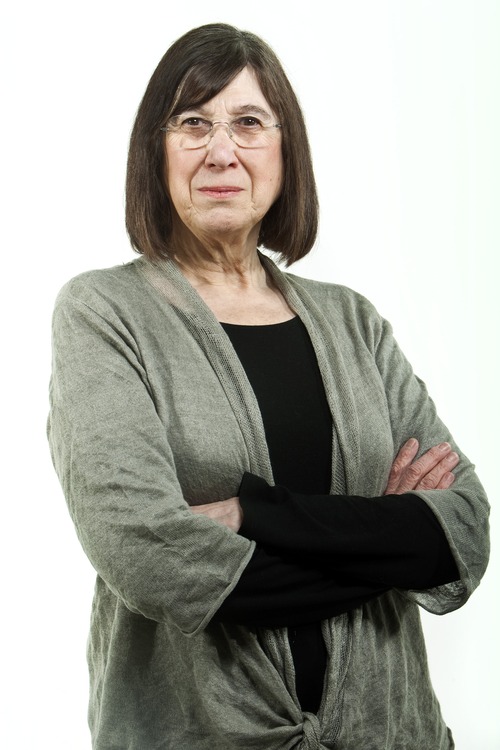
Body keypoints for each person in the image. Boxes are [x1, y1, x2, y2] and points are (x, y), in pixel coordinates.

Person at [47, 23, 489, 750]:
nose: (222, 149)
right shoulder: (104, 314)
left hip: (393, 732)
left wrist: (255, 514)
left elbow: (463, 531)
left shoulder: (353, 321)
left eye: (249, 122)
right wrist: (380, 536)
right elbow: (145, 555)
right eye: (194, 123)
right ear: (155, 152)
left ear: (286, 151)